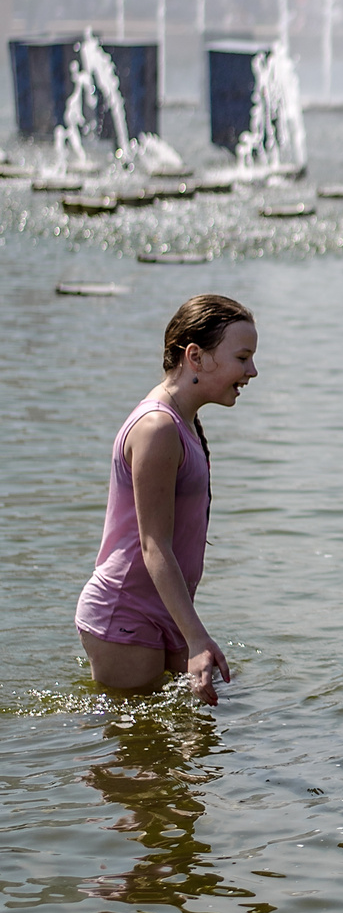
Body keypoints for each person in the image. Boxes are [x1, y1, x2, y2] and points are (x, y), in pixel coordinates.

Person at [75, 295, 258, 706]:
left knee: (198, 722)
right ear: (196, 356)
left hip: (165, 610)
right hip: (126, 613)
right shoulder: (158, 427)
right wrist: (196, 638)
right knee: (136, 753)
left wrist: (191, 632)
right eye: (242, 357)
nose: (252, 371)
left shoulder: (186, 422)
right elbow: (152, 544)